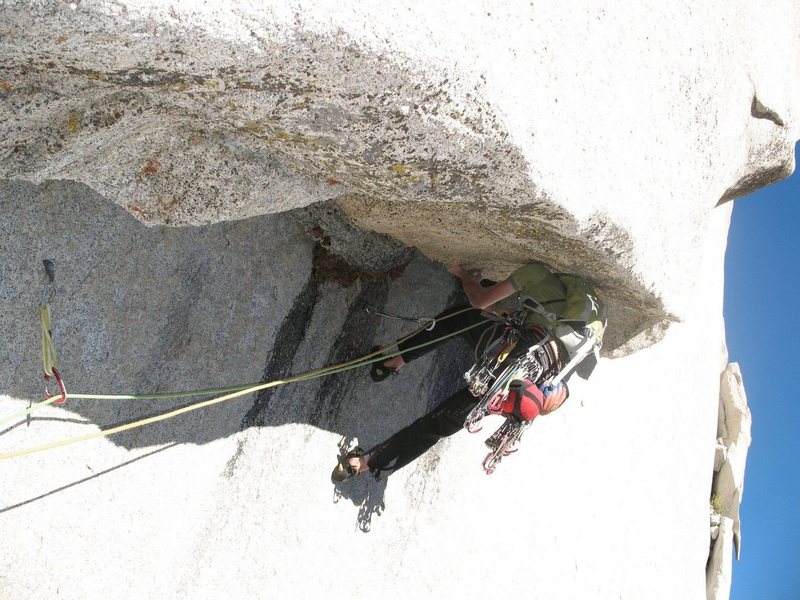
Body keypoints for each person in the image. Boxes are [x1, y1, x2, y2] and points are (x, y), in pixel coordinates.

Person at [331, 262, 576, 483]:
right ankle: (361, 465)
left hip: (511, 357)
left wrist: (463, 275)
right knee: (438, 423)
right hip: (525, 386)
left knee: (458, 319)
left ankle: (390, 364)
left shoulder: (537, 271)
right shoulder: (576, 324)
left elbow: (479, 301)